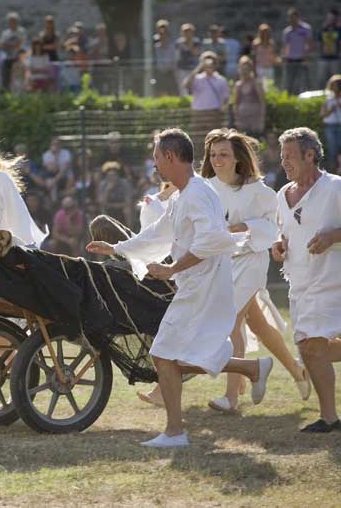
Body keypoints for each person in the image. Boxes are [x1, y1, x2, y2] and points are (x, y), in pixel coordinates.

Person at [86, 128, 273, 448]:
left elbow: (213, 240)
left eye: (157, 156)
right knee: (175, 355)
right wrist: (117, 248)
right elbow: (159, 233)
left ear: (170, 157)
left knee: (163, 353)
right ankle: (252, 368)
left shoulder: (198, 194)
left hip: (204, 286)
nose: (154, 163)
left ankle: (175, 432)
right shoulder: (184, 194)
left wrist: (173, 268)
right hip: (197, 284)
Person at [201, 129, 310, 411]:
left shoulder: (261, 192)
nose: (217, 159)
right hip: (222, 262)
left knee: (230, 321)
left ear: (238, 158)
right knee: (256, 324)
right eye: (213, 154)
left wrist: (242, 226)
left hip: (251, 261)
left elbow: (272, 227)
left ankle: (232, 397)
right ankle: (294, 371)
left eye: (224, 154)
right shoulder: (206, 188)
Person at [272, 127, 341, 433]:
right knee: (309, 348)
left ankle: (328, 418)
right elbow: (284, 233)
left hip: (333, 281)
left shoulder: (335, 187)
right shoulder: (281, 195)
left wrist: (333, 235)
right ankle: (329, 418)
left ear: (310, 155)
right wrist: (278, 246)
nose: (283, 162)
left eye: (289, 156)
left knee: (312, 348)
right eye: (281, 156)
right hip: (299, 283)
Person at [281, 7, 313, 95]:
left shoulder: (306, 28)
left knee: (303, 83)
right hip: (290, 60)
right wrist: (284, 58)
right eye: (290, 17)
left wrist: (306, 56)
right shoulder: (287, 31)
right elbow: (285, 46)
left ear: (297, 17)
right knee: (289, 83)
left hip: (301, 59)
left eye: (293, 17)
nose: (291, 20)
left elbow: (309, 44)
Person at [233, 56, 266, 138]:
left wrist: (262, 117)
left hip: (255, 117)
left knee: (256, 138)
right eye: (242, 69)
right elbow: (236, 103)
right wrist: (237, 119)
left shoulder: (256, 83)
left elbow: (262, 101)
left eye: (246, 69)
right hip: (243, 117)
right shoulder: (238, 85)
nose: (244, 72)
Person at [320, 74, 341, 173]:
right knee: (332, 150)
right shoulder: (328, 100)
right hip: (331, 127)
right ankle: (333, 171)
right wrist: (331, 110)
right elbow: (322, 115)